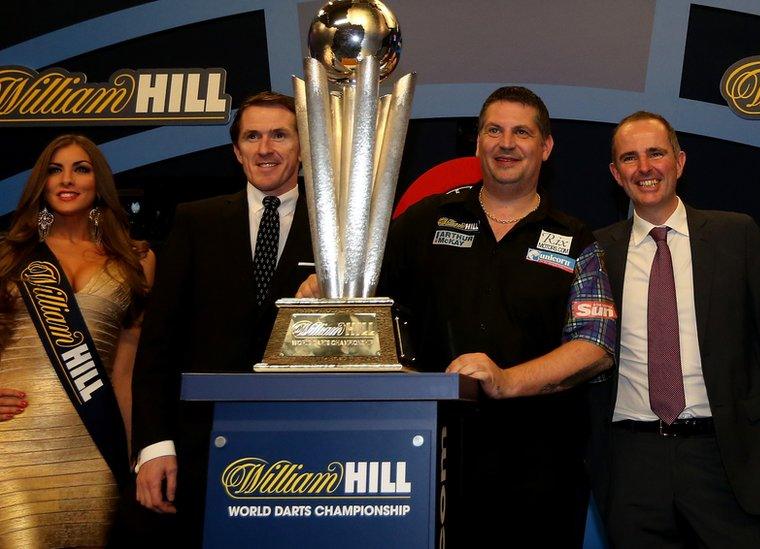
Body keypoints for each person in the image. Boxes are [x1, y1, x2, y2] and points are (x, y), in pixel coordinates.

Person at [300, 86, 600, 548]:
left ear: (546, 147)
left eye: (522, 132)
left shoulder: (577, 238)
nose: (506, 143)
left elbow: (594, 346)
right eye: (493, 130)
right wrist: (332, 284)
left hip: (540, 462)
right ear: (477, 143)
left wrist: (506, 380)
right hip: (429, 451)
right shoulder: (426, 219)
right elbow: (362, 293)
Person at [586, 111, 760, 548]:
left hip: (728, 455)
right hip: (632, 461)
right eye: (630, 157)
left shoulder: (735, 234)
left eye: (656, 153)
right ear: (615, 173)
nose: (644, 167)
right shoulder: (596, 250)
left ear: (680, 162)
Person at [130, 91, 312, 543]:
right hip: (202, 446)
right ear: (237, 151)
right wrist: (153, 446)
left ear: (304, 147)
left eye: (279, 135)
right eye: (252, 136)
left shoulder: (336, 227)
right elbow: (158, 346)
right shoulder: (196, 221)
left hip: (308, 447)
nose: (264, 148)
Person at [0, 134, 154, 547]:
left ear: (98, 181)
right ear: (41, 183)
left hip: (94, 449)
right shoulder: (9, 256)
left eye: (80, 169)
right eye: (55, 169)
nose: (66, 179)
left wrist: (136, 453)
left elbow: (127, 371)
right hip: (14, 444)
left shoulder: (135, 261)